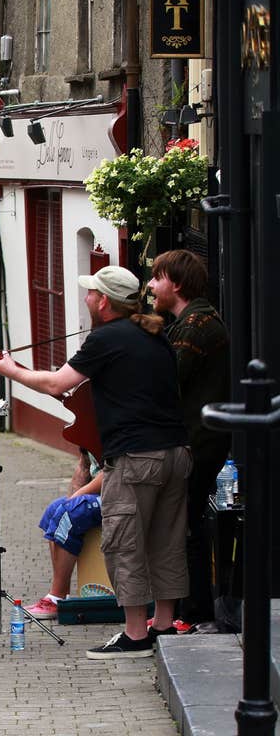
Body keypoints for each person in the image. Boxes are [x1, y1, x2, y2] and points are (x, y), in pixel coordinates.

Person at [0, 266, 191, 659]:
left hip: (136, 458)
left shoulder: (105, 338)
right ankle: (164, 625)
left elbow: (57, 384)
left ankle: (136, 636)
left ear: (103, 301)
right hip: (175, 453)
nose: (86, 299)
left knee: (125, 544)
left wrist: (10, 370)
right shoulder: (155, 335)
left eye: (90, 294)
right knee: (166, 542)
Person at [147, 249, 231, 626]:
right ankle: (187, 608)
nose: (150, 285)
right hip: (197, 439)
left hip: (198, 442)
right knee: (185, 526)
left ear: (175, 283)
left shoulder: (196, 325)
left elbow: (168, 380)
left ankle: (193, 610)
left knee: (187, 527)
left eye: (156, 277)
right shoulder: (191, 320)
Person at [24, 451, 104, 619]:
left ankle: (56, 596)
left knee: (68, 514)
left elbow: (111, 472)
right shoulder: (89, 428)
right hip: (100, 491)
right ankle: (61, 596)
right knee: (55, 510)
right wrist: (70, 501)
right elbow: (84, 465)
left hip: (121, 492)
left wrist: (73, 503)